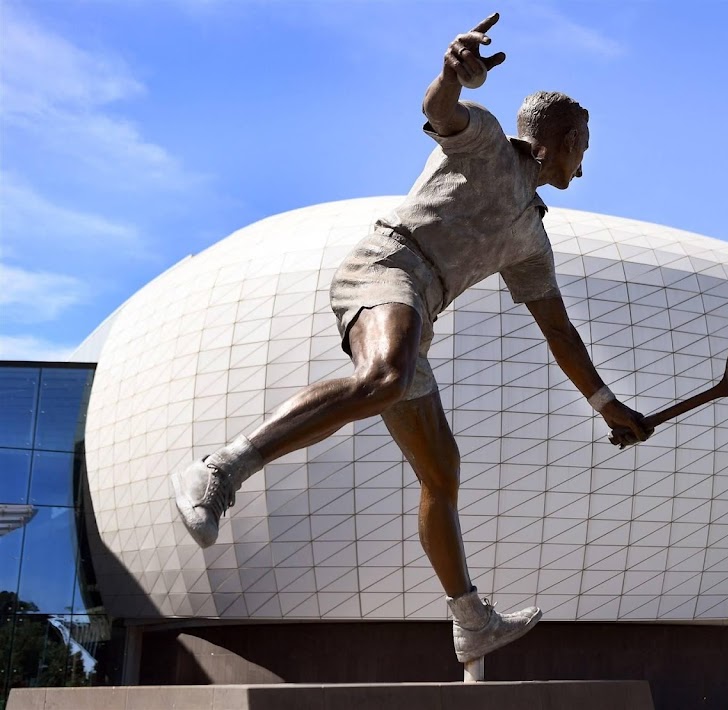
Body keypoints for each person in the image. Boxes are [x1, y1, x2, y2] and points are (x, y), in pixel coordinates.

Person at [172, 12, 653, 663]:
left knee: (440, 472)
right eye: (583, 148)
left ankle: (470, 619)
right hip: (385, 269)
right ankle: (216, 473)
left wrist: (606, 407)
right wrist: (453, 74)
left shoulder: (531, 238)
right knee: (384, 378)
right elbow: (440, 107)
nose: (584, 164)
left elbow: (559, 332)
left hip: (416, 313)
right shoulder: (484, 142)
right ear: (561, 140)